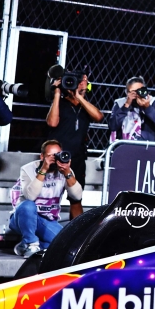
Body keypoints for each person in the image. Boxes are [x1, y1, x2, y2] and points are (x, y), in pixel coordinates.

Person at [9, 139, 82, 258]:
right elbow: (30, 197)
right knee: (28, 205)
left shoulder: (65, 171)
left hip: (46, 221)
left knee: (64, 244)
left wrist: (67, 173)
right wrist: (43, 169)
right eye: (50, 156)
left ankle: (25, 245)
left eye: (57, 155)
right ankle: (31, 243)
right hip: (22, 218)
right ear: (42, 156)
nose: (55, 159)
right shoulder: (28, 169)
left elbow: (77, 196)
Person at [46, 70, 102, 220]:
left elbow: (98, 117)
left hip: (76, 158)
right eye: (80, 80)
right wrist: (57, 94)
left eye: (84, 81)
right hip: (56, 157)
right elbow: (52, 122)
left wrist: (78, 96)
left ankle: (76, 235)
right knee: (49, 197)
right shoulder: (61, 103)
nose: (82, 83)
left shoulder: (86, 107)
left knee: (76, 199)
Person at [108, 76, 155, 142]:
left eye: (140, 91)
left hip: (148, 146)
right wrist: (126, 106)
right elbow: (112, 126)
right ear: (127, 93)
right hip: (125, 146)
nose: (137, 95)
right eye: (133, 92)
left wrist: (148, 108)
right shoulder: (120, 103)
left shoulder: (154, 102)